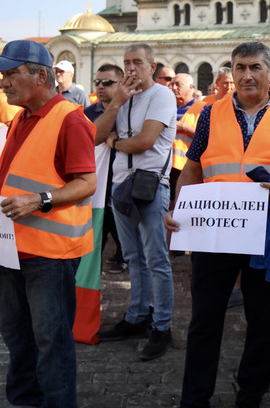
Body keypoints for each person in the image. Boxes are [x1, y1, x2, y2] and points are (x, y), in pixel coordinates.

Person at [164, 41, 270, 408]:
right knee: (204, 321)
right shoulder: (210, 113)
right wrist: (178, 206)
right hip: (214, 233)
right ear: (231, 73)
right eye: (239, 68)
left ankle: (250, 396)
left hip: (269, 235)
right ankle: (195, 399)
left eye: (255, 67)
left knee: (264, 323)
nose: (247, 75)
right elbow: (193, 166)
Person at [0, 40, 97, 408]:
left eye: (11, 74)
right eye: (1, 75)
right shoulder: (21, 117)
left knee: (50, 342)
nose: (3, 82)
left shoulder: (70, 118)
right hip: (11, 248)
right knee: (17, 336)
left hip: (49, 257)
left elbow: (87, 183)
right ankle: (24, 402)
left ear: (41, 75)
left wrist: (40, 201)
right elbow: (27, 174)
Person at [94, 43, 177, 362]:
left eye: (137, 62)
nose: (131, 68)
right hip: (120, 186)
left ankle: (162, 326)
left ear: (152, 66)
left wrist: (117, 141)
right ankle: (137, 317)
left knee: (156, 259)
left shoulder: (162, 96)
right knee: (133, 257)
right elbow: (98, 136)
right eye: (126, 62)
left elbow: (144, 142)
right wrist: (117, 102)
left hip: (150, 186)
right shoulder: (123, 97)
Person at [84, 64, 127, 274]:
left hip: (124, 181)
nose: (101, 86)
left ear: (121, 84)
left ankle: (123, 257)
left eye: (108, 82)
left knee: (123, 233)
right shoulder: (88, 113)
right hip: (97, 183)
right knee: (95, 235)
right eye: (97, 82)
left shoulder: (130, 109)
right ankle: (89, 276)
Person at [170, 73, 203, 207]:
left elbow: (208, 137)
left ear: (191, 87)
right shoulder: (168, 107)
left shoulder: (203, 108)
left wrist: (184, 127)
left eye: (178, 84)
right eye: (172, 84)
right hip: (167, 167)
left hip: (189, 167)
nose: (173, 87)